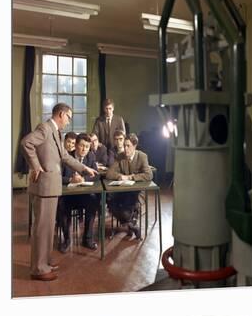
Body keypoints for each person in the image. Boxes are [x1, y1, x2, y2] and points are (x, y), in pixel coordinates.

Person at [21, 104, 97, 281]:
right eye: (69, 117)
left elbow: (65, 156)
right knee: (42, 228)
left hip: (51, 187)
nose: (69, 121)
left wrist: (84, 168)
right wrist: (36, 166)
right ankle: (39, 269)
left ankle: (45, 262)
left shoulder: (55, 132)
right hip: (44, 186)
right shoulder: (45, 128)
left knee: (48, 229)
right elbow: (26, 143)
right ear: (61, 114)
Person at [57, 133, 101, 253]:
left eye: (87, 147)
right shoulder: (66, 157)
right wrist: (71, 179)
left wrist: (84, 179)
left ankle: (87, 239)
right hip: (69, 196)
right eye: (82, 146)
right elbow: (58, 177)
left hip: (84, 195)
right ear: (75, 145)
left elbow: (97, 176)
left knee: (93, 202)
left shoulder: (91, 156)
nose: (84, 149)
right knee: (62, 205)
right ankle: (66, 240)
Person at [105, 133, 153, 240]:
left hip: (137, 192)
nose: (125, 149)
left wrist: (131, 177)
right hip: (124, 191)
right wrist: (120, 176)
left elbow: (149, 175)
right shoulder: (120, 156)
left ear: (134, 146)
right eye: (125, 145)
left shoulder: (142, 156)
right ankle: (131, 225)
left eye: (128, 146)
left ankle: (129, 223)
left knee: (129, 206)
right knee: (109, 199)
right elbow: (109, 173)